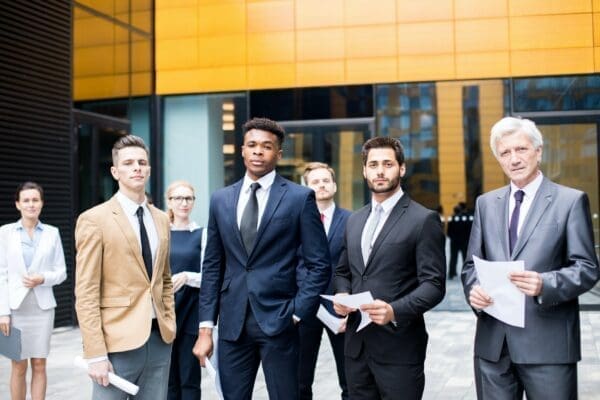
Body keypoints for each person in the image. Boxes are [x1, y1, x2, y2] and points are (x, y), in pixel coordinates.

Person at [461, 117, 600, 399]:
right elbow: (470, 266)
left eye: (521, 149)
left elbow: (586, 268)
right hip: (493, 347)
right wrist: (473, 290)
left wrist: (544, 284)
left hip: (548, 345)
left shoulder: (570, 201)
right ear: (498, 159)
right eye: (505, 153)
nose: (514, 159)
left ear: (538, 151)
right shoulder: (485, 204)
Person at [193, 117, 331, 400]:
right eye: (252, 145)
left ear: (278, 154)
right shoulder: (220, 199)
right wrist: (206, 328)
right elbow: (212, 266)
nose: (258, 151)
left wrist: (296, 313)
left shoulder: (299, 197)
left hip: (280, 319)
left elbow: (319, 263)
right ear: (242, 150)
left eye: (267, 147)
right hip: (232, 324)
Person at [334, 137, 446, 400]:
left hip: (400, 348)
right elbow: (343, 272)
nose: (380, 171)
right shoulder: (354, 220)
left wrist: (394, 310)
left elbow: (434, 285)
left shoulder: (423, 219)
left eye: (388, 164)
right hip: (356, 348)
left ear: (402, 168)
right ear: (364, 171)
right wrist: (341, 294)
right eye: (373, 165)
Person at [75, 135, 175, 399]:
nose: (137, 168)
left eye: (142, 162)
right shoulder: (94, 219)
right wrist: (95, 353)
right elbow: (86, 292)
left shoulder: (162, 219)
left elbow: (164, 279)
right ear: (115, 171)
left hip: (159, 339)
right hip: (116, 343)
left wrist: (169, 322)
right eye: (128, 163)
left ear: (149, 169)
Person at [0, 182, 67, 400]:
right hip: (14, 308)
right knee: (18, 365)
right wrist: (3, 312)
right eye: (26, 200)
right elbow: (1, 274)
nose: (31, 204)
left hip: (42, 309)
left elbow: (61, 272)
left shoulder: (52, 233)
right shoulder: (5, 233)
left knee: (39, 363)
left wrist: (43, 278)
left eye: (35, 200)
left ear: (42, 203)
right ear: (18, 204)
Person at [298, 162, 350, 400]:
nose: (321, 185)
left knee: (350, 380)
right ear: (306, 188)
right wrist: (317, 308)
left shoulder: (351, 220)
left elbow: (354, 266)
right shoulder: (296, 223)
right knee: (300, 381)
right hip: (305, 311)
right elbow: (294, 266)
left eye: (325, 180)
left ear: (335, 185)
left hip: (341, 309)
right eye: (315, 181)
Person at [165, 180, 206, 400]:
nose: (184, 203)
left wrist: (187, 277)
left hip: (191, 310)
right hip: (165, 311)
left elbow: (211, 276)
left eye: (188, 198)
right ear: (169, 202)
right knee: (168, 379)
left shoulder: (202, 234)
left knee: (189, 377)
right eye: (178, 198)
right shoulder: (161, 233)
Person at [447, 202, 472, 279]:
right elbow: (470, 230)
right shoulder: (469, 217)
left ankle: (452, 273)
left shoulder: (453, 217)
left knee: (453, 258)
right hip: (465, 242)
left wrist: (453, 237)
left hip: (454, 242)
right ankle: (466, 273)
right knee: (465, 258)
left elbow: (448, 231)